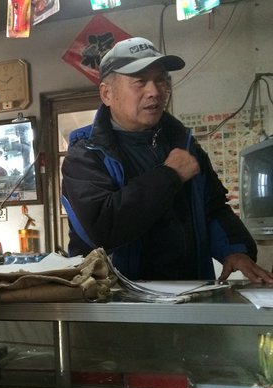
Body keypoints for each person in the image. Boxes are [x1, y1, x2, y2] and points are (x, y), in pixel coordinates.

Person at [61, 37, 273, 283]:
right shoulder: (86, 153)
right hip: (116, 296)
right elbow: (102, 229)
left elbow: (213, 207)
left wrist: (234, 249)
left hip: (190, 290)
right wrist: (169, 175)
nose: (155, 91)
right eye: (140, 81)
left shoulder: (183, 143)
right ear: (107, 93)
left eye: (161, 80)